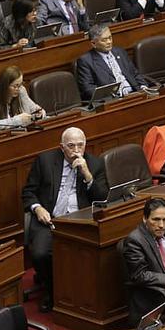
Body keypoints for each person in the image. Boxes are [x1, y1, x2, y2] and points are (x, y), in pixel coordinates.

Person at [22, 127, 108, 312]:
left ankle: (83, 295)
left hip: (80, 222)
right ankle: (52, 291)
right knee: (40, 254)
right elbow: (28, 192)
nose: (76, 150)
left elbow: (103, 198)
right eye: (71, 146)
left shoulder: (95, 163)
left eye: (80, 145)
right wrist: (38, 209)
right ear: (62, 147)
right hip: (50, 219)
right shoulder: (45, 161)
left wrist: (88, 175)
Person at [75, 24, 147, 100]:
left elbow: (135, 74)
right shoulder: (85, 61)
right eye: (104, 40)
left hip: (135, 94)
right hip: (112, 100)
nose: (109, 42)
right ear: (93, 43)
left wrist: (143, 86)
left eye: (110, 38)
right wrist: (110, 98)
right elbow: (88, 89)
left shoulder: (120, 52)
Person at [0, 65, 46, 132]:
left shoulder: (21, 91)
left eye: (20, 84)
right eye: (15, 86)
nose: (18, 89)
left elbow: (34, 109)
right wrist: (18, 120)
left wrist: (40, 114)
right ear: (5, 85)